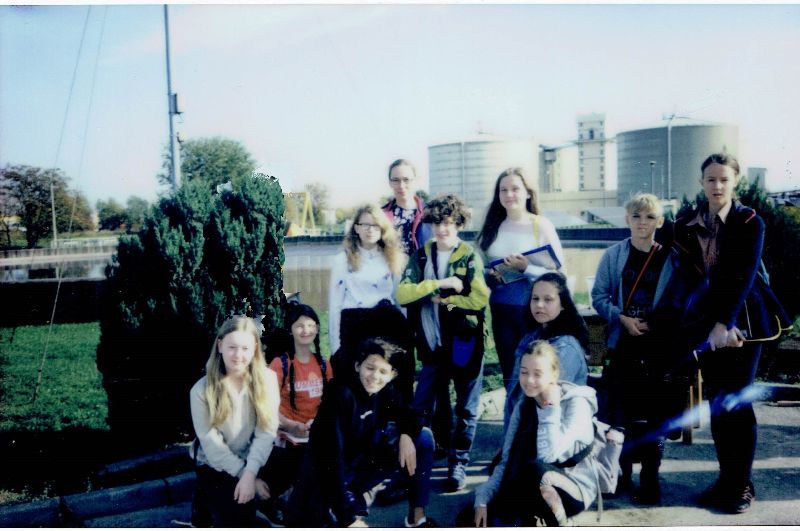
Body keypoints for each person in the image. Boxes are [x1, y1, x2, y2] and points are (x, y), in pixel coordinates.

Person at [673, 153, 791, 514]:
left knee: (737, 402)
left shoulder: (750, 221)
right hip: (707, 325)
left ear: (735, 181)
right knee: (719, 403)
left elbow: (743, 275)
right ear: (701, 182)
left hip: (745, 322)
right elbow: (689, 280)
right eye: (711, 179)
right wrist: (706, 327)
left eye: (724, 179)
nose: (717, 186)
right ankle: (727, 479)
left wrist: (726, 324)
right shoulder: (685, 223)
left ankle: (741, 485)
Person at [284, 338, 437, 528]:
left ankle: (417, 516)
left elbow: (411, 416)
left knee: (423, 438)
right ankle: (344, 506)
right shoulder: (341, 395)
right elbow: (331, 461)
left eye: (383, 371)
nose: (375, 376)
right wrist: (348, 519)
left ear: (392, 374)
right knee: (321, 518)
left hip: (356, 471)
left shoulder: (383, 389)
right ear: (358, 366)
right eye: (370, 368)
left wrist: (406, 435)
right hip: (325, 478)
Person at [591, 193, 684, 504]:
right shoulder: (613, 255)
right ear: (627, 219)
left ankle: (650, 478)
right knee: (622, 413)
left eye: (650, 217)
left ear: (660, 221)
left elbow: (679, 300)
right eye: (636, 216)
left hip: (658, 346)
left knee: (655, 415)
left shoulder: (672, 257)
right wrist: (621, 318)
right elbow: (599, 296)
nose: (642, 222)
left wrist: (655, 324)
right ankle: (622, 473)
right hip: (623, 343)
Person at [396, 194, 490, 492]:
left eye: (448, 223)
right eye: (437, 223)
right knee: (423, 405)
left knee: (466, 408)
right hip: (431, 343)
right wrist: (440, 284)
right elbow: (403, 294)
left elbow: (479, 299)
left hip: (464, 342)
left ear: (459, 224)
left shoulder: (469, 256)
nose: (442, 229)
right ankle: (410, 467)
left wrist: (446, 301)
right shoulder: (421, 256)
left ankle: (458, 463)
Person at [470, 340, 597, 527]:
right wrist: (482, 499)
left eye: (537, 374)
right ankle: (525, 517)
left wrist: (550, 409)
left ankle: (564, 525)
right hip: (533, 481)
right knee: (473, 516)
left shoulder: (576, 404)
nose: (529, 380)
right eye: (524, 372)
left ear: (554, 375)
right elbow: (506, 461)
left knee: (536, 472)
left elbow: (548, 456)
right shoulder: (524, 405)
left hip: (574, 487)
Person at [476, 167, 565, 393]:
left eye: (515, 188)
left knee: (536, 374)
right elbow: (480, 270)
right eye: (503, 190)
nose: (509, 194)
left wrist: (527, 268)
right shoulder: (492, 226)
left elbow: (559, 275)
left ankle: (536, 416)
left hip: (533, 312)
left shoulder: (540, 225)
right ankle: (513, 415)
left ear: (527, 193)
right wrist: (490, 276)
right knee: (510, 374)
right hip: (501, 311)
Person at [189, 316, 280, 527]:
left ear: (255, 348)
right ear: (220, 346)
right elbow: (212, 444)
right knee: (240, 520)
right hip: (217, 463)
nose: (238, 355)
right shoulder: (200, 391)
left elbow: (266, 431)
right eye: (232, 347)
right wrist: (246, 477)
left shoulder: (268, 380)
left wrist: (251, 473)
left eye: (245, 348)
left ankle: (264, 504)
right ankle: (204, 503)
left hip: (253, 456)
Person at [328, 204, 414, 401]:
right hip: (355, 326)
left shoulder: (393, 258)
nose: (370, 230)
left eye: (375, 225)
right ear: (356, 228)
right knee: (355, 383)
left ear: (383, 229)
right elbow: (335, 305)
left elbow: (398, 299)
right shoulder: (342, 260)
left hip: (386, 325)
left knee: (387, 382)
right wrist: (335, 346)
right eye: (365, 224)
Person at [257, 303, 333, 524]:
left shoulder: (323, 364)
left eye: (311, 325)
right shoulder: (279, 364)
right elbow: (266, 407)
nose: (306, 330)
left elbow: (330, 404)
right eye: (300, 326)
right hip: (286, 437)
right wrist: (291, 425)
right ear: (290, 330)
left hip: (314, 434)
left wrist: (318, 423)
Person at [503, 272, 589, 435]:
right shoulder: (530, 337)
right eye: (535, 299)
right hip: (522, 428)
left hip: (552, 433)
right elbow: (514, 395)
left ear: (562, 304)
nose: (539, 305)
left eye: (548, 299)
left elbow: (548, 401)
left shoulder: (566, 347)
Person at [382, 159, 433, 256]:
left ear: (415, 181)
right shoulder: (380, 216)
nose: (401, 185)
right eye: (396, 180)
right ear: (390, 183)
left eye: (406, 180)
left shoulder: (431, 214)